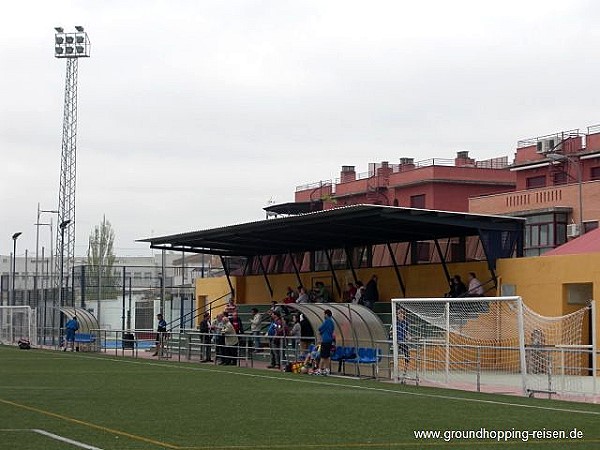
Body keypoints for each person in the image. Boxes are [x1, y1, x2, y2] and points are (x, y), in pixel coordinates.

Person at [314, 309, 334, 376]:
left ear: (326, 314)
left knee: (322, 356)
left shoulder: (327, 321)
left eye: (324, 314)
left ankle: (320, 370)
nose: (323, 316)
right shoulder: (332, 322)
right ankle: (327, 370)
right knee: (327, 356)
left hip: (325, 341)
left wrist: (320, 333)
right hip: (329, 340)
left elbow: (320, 328)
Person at [395, 308, 410, 380]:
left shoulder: (406, 323)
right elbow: (391, 332)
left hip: (403, 342)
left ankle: (405, 372)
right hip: (396, 342)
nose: (400, 315)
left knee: (407, 356)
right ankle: (396, 372)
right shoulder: (395, 323)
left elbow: (407, 333)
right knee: (396, 357)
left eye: (402, 313)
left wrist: (409, 337)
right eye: (399, 313)